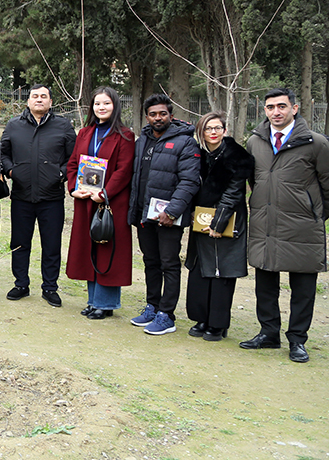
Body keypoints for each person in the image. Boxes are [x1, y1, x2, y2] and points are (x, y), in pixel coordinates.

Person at [241, 88, 329, 363]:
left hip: (303, 227)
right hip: (265, 223)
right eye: (270, 107)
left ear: (295, 108)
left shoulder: (315, 143)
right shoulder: (255, 142)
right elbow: (255, 181)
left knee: (302, 286)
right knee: (265, 282)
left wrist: (313, 214)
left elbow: (327, 185)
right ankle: (269, 333)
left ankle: (297, 340)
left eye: (281, 106)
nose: (275, 112)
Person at [127, 94, 200, 335]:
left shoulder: (185, 142)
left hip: (169, 217)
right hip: (144, 214)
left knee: (169, 263)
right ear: (146, 116)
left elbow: (189, 181)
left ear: (170, 115)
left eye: (162, 113)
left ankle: (166, 314)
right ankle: (152, 306)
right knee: (151, 261)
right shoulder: (142, 141)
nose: (158, 118)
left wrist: (172, 211)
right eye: (153, 114)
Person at [0, 84, 77, 307]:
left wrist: (60, 174)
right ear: (28, 101)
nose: (39, 100)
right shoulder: (14, 125)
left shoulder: (63, 126)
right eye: (35, 96)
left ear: (51, 102)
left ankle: (50, 287)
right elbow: (3, 153)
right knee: (20, 243)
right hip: (22, 196)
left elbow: (72, 158)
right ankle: (21, 284)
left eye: (44, 96)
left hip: (51, 197)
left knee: (51, 245)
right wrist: (11, 171)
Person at [65, 86, 135, 320]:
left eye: (106, 103)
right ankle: (93, 299)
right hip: (85, 200)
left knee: (107, 249)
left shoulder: (125, 136)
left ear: (114, 106)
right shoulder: (85, 133)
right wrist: (75, 188)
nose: (101, 107)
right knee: (88, 249)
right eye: (97, 104)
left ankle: (105, 304)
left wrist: (104, 194)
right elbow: (73, 163)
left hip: (110, 202)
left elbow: (124, 171)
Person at [185, 111, 251, 341]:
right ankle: (201, 318)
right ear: (201, 131)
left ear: (225, 130)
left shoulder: (235, 156)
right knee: (202, 268)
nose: (213, 132)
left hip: (228, 218)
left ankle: (217, 324)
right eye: (208, 128)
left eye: (217, 128)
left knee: (222, 271)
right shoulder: (197, 155)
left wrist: (219, 221)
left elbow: (234, 193)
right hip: (201, 218)